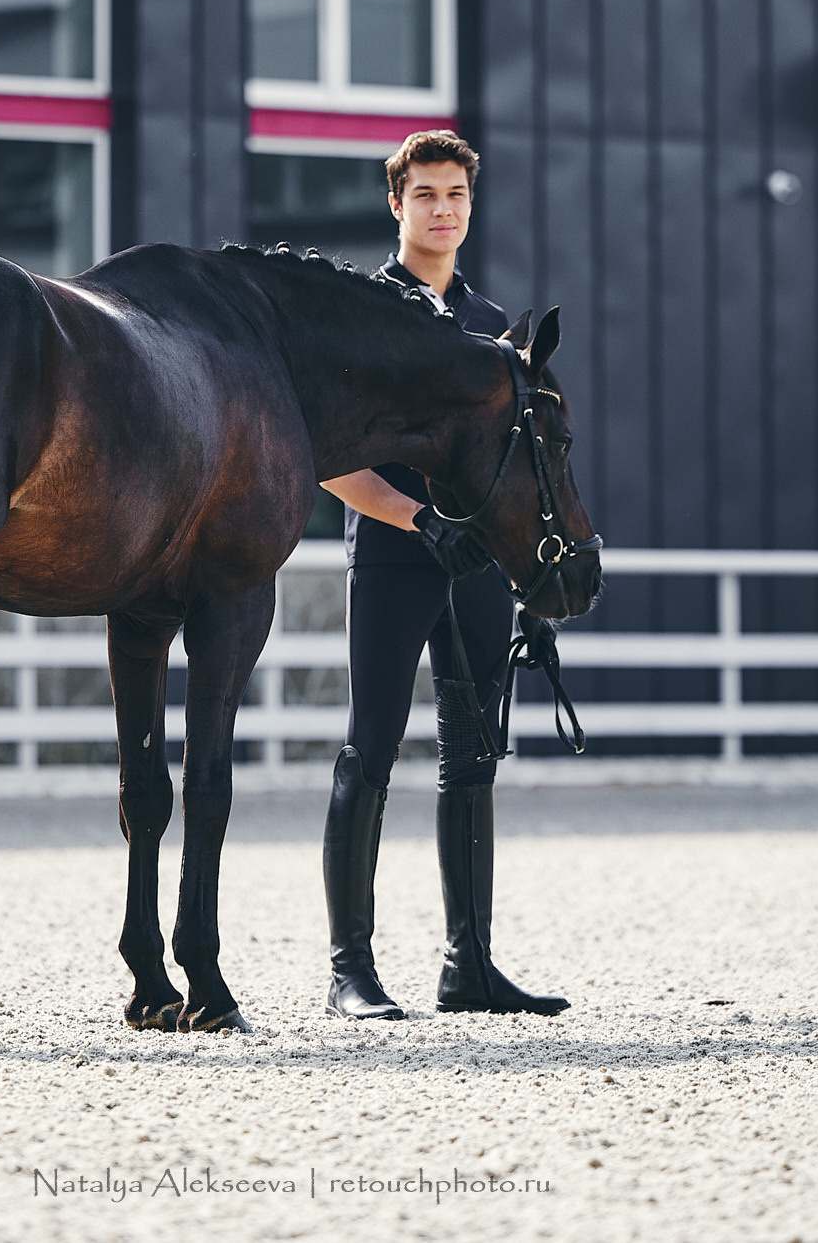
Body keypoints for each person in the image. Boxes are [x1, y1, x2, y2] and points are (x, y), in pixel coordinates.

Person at [317, 129, 569, 1020]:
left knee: (474, 758)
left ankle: (471, 967)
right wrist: (417, 518)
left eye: (456, 194)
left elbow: (519, 468)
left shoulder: (492, 325)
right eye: (425, 193)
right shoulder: (358, 312)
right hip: (394, 557)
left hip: (479, 573)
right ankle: (351, 971)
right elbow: (327, 457)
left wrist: (526, 583)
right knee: (372, 746)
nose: (443, 209)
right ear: (397, 204)